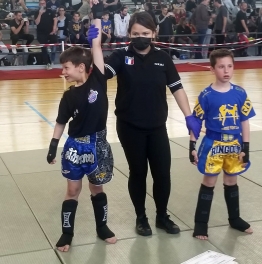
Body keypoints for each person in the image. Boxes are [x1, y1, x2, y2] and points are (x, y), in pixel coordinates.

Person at [88, 11, 194, 237]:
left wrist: (189, 116)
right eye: (135, 33)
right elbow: (101, 74)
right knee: (138, 173)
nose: (140, 37)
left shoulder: (163, 58)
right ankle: (141, 217)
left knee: (163, 173)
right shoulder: (120, 56)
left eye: (145, 33)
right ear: (129, 34)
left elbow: (177, 88)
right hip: (130, 126)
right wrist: (95, 46)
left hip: (157, 126)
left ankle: (162, 215)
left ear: (154, 33)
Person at [46, 18, 117, 252]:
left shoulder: (98, 78)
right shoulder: (68, 97)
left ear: (80, 67)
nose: (62, 72)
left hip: (98, 145)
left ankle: (102, 227)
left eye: (66, 67)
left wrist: (95, 25)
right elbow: (60, 123)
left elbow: (96, 48)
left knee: (97, 188)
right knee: (73, 190)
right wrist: (53, 146)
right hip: (76, 147)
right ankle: (67, 233)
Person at [188, 49, 255, 240]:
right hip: (213, 144)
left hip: (235, 144)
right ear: (212, 69)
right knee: (209, 181)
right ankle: (201, 224)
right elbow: (196, 122)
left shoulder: (240, 93)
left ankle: (235, 218)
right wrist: (192, 145)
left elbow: (245, 121)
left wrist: (246, 147)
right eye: (221, 67)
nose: (226, 71)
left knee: (231, 180)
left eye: (230, 66)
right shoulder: (206, 95)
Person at [34, 0, 58, 70]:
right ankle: (47, 63)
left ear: (45, 4)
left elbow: (55, 19)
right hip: (41, 33)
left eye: (43, 3)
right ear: (39, 4)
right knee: (43, 48)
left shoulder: (50, 11)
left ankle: (51, 56)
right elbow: (36, 23)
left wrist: (54, 28)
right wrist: (40, 14)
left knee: (54, 41)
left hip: (50, 32)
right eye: (41, 3)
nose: (42, 5)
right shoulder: (36, 12)